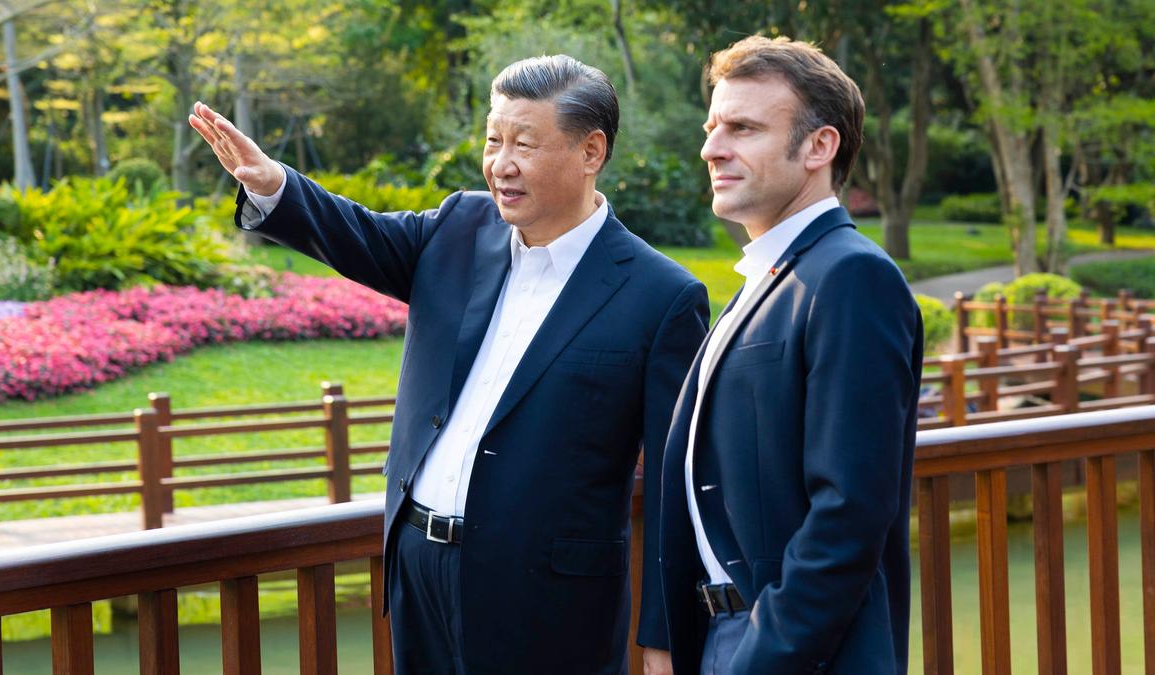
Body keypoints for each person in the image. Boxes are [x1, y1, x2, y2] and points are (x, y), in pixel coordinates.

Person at [189, 54, 708, 674]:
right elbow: (359, 234)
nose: (501, 163)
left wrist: (664, 638)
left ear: (590, 151)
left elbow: (677, 483)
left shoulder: (660, 295)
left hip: (549, 605)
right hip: (418, 572)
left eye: (524, 144)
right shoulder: (460, 226)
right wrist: (273, 183)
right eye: (493, 140)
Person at [651, 36, 923, 675]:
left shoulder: (852, 278)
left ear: (818, 147)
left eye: (743, 129)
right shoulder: (767, 276)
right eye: (712, 128)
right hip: (719, 637)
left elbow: (848, 516)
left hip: (789, 651)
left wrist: (759, 659)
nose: (712, 148)